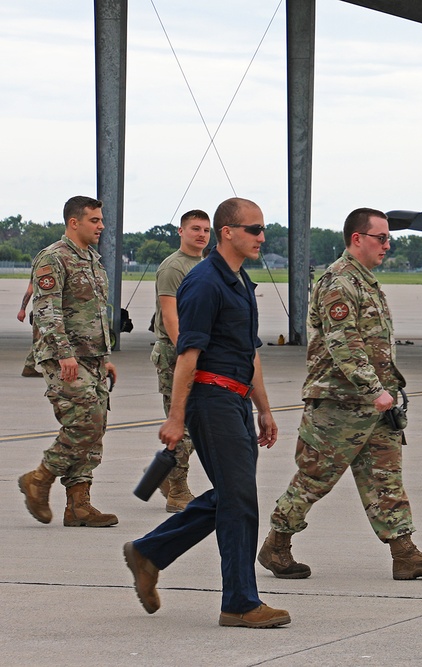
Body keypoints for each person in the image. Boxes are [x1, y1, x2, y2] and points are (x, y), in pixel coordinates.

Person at [258, 207, 422, 582]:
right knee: (314, 479)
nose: (387, 244)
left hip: (375, 403)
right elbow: (344, 343)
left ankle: (405, 554)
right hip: (339, 404)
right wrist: (373, 388)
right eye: (380, 237)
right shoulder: (339, 281)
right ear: (357, 239)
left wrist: (383, 392)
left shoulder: (365, 282)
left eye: (387, 238)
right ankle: (277, 545)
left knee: (386, 478)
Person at [123, 197, 289, 629]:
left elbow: (249, 353)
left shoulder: (240, 281)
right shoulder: (204, 282)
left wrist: (264, 409)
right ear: (227, 232)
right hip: (210, 400)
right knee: (239, 499)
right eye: (253, 229)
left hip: (235, 401)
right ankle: (239, 602)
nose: (261, 237)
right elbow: (187, 354)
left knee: (234, 497)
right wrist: (176, 418)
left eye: (261, 229)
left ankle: (150, 552)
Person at [18, 196, 118, 528]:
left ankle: (79, 505)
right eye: (95, 220)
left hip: (91, 357)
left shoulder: (92, 259)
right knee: (86, 420)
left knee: (96, 424)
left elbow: (96, 315)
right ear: (74, 223)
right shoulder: (53, 258)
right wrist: (65, 355)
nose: (101, 226)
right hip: (63, 357)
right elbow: (47, 313)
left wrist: (105, 358)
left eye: (101, 220)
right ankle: (39, 477)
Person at [149, 209, 211, 513]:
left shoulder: (204, 264)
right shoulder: (173, 267)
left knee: (194, 422)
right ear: (181, 232)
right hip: (177, 354)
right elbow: (170, 316)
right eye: (195, 229)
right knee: (183, 425)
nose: (201, 235)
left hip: (196, 352)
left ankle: (161, 477)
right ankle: (177, 491)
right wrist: (186, 352)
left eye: (206, 230)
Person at [17, 281, 43, 377]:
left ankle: (29, 366)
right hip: (44, 313)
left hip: (41, 311)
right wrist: (22, 309)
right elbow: (29, 291)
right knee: (40, 341)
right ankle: (29, 366)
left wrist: (22, 309)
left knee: (39, 341)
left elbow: (29, 291)